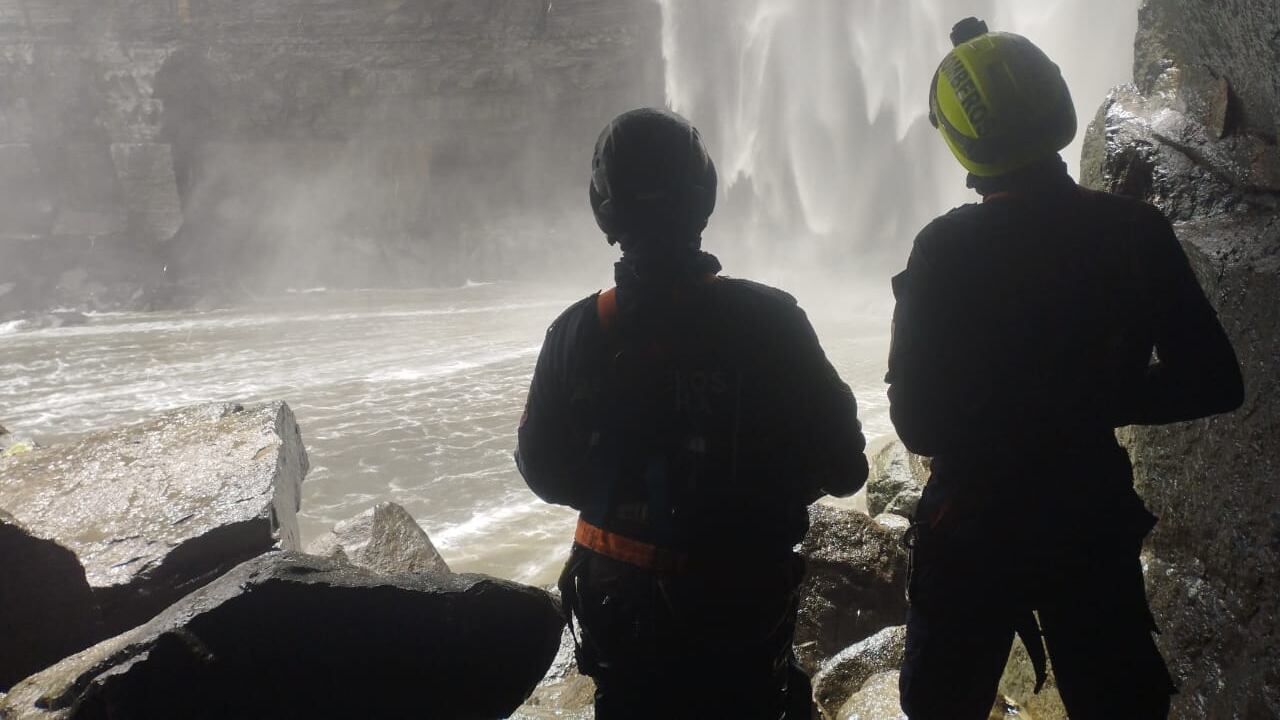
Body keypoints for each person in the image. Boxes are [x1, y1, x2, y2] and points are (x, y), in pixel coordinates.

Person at [889, 18, 1245, 719]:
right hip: (1086, 509)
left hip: (971, 522)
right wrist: (1090, 401)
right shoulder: (1134, 232)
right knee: (1119, 701)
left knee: (941, 703)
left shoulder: (944, 250)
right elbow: (1214, 380)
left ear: (963, 138)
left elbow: (918, 422)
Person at [515, 107, 868, 719]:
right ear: (704, 198)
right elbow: (846, 468)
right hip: (742, 615)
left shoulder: (575, 332)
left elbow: (544, 472)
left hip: (620, 621)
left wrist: (628, 495)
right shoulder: (773, 321)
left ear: (605, 212)